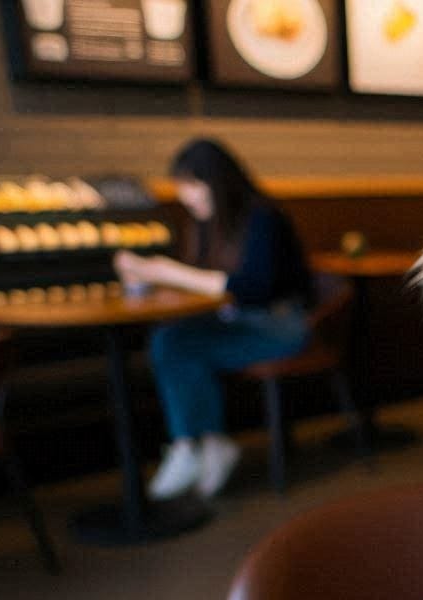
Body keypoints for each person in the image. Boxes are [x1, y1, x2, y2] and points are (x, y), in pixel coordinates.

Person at [116, 138, 313, 499]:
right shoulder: (207, 225)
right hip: (239, 323)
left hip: (280, 325)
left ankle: (193, 445)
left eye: (192, 185)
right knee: (171, 339)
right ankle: (200, 443)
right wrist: (144, 280)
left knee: (177, 344)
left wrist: (167, 272)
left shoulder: (263, 217)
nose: (185, 196)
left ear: (218, 180)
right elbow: (205, 287)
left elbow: (254, 288)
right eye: (181, 187)